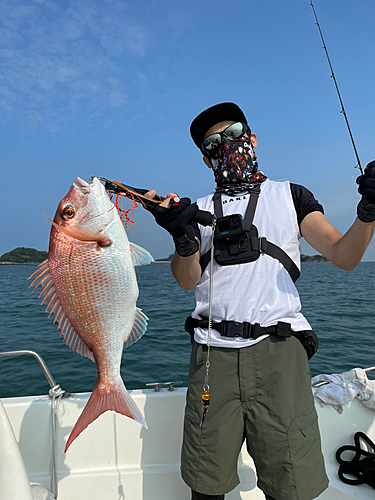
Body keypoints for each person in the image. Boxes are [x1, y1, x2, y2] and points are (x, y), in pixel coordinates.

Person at [146, 102, 375, 500]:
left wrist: (369, 212)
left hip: (279, 352)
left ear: (252, 138)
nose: (227, 146)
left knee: (291, 486)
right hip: (211, 356)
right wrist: (183, 240)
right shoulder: (196, 209)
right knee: (206, 482)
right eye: (214, 143)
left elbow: (344, 255)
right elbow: (186, 280)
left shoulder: (291, 195)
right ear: (206, 159)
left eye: (234, 134)